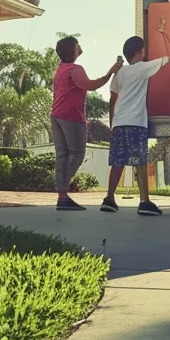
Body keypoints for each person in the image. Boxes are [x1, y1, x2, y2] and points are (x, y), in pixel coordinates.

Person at [101, 35, 170, 216]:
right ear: (141, 52)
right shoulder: (143, 68)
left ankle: (109, 198)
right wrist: (163, 33)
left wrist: (112, 124)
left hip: (119, 123)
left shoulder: (120, 72)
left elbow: (112, 98)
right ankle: (144, 201)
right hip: (136, 123)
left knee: (118, 161)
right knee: (139, 161)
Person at [51, 36, 123, 211]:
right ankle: (62, 192)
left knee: (62, 155)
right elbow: (91, 85)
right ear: (72, 49)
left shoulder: (60, 69)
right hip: (71, 117)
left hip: (56, 115)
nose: (80, 46)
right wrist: (111, 72)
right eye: (77, 45)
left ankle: (62, 197)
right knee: (76, 153)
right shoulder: (75, 69)